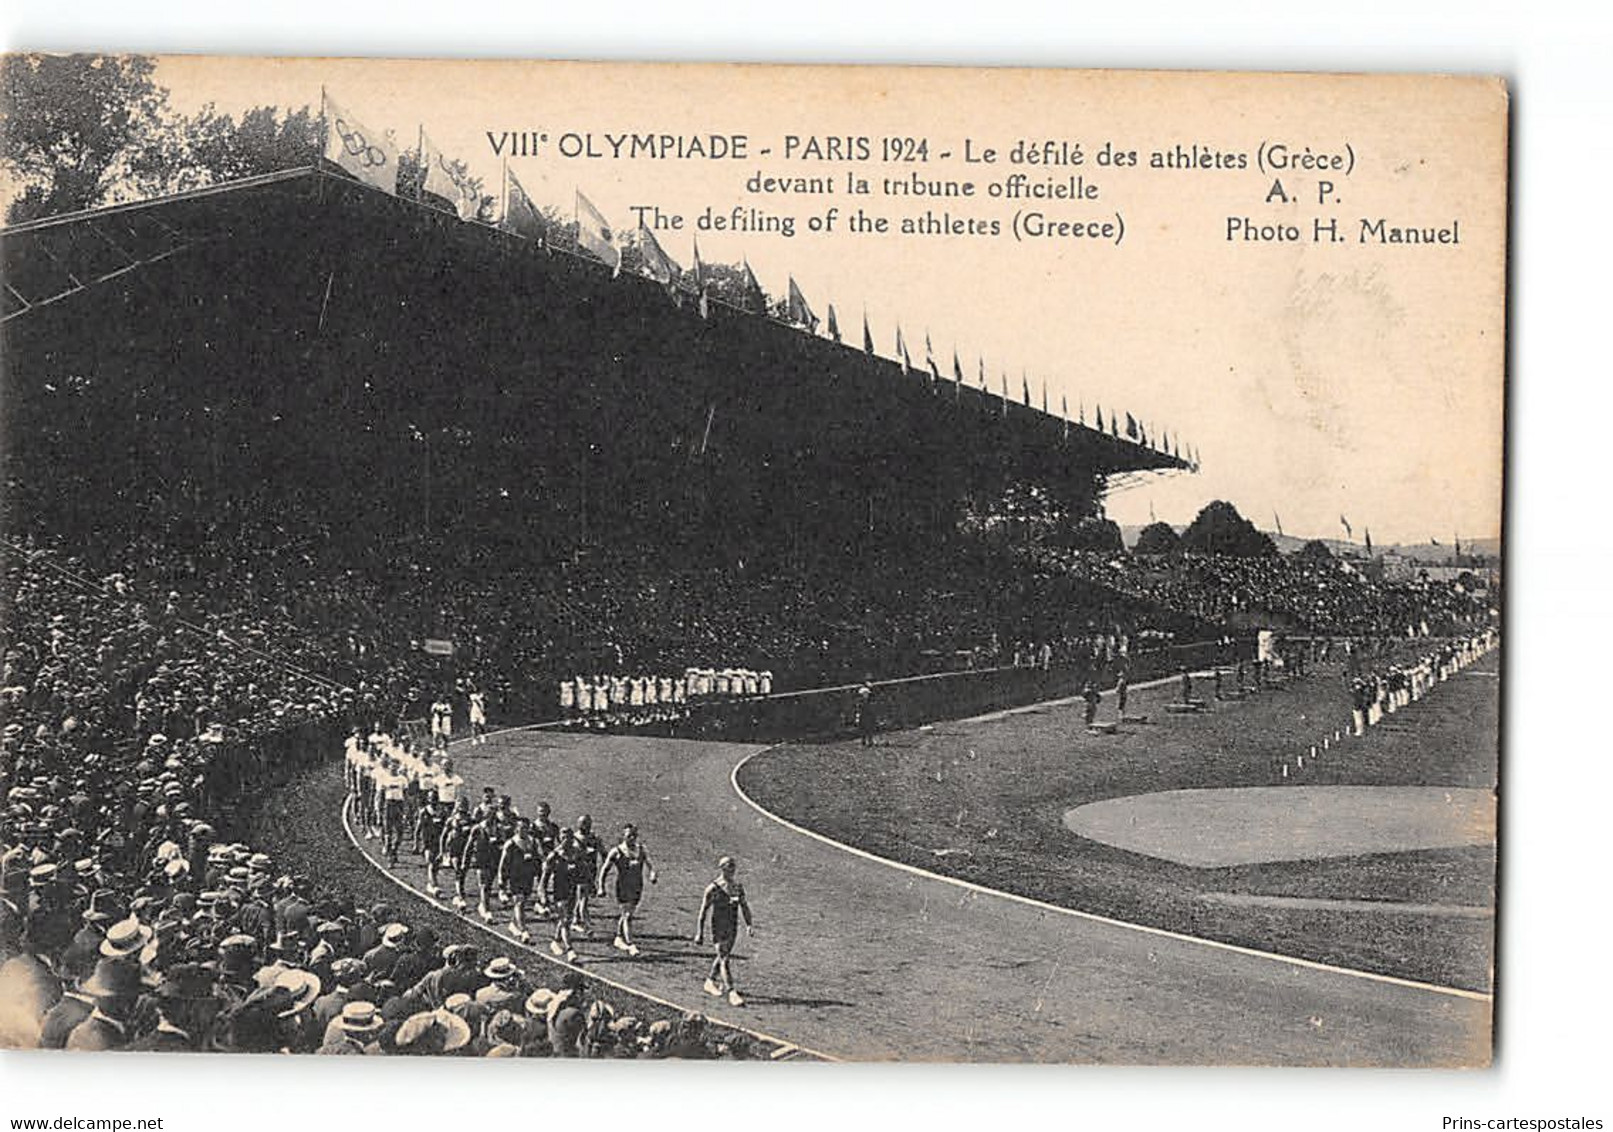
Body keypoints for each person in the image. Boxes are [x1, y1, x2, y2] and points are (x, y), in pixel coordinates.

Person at [692, 856, 753, 1007]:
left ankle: (710, 981)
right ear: (722, 868)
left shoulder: (738, 887)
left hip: (732, 927)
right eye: (729, 866)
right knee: (724, 958)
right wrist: (699, 932)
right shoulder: (713, 888)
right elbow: (703, 911)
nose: (732, 869)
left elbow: (744, 907)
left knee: (722, 956)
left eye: (733, 866)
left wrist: (749, 924)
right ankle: (731, 992)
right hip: (718, 927)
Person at [597, 824, 656, 956]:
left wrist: (652, 874)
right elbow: (604, 869)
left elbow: (650, 864)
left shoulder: (641, 849)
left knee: (627, 914)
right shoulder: (616, 851)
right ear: (624, 836)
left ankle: (618, 937)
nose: (632, 838)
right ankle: (631, 944)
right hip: (623, 887)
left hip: (637, 887)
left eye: (634, 835)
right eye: (629, 835)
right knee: (627, 915)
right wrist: (601, 886)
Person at [540, 830, 588, 963]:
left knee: (565, 919)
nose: (566, 840)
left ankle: (555, 941)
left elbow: (583, 870)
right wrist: (543, 896)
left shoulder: (576, 854)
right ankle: (570, 950)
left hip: (572, 891)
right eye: (563, 837)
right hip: (559, 892)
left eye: (569, 837)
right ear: (559, 839)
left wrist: (589, 884)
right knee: (566, 919)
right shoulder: (554, 856)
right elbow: (544, 879)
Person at [496, 819, 543, 944]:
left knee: (522, 901)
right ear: (516, 829)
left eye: (526, 828)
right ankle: (524, 931)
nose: (524, 830)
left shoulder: (533, 842)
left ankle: (513, 923)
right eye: (521, 828)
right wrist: (501, 881)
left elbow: (540, 857)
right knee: (519, 902)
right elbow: (503, 863)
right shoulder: (510, 843)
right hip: (515, 877)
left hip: (528, 877)